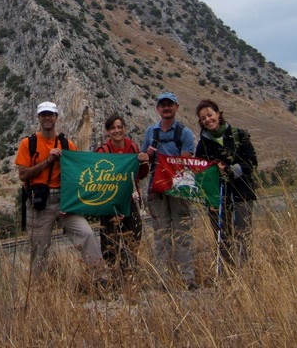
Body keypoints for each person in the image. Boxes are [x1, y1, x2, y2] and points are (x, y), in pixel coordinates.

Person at [14, 101, 105, 281]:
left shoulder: (68, 144)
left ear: (56, 117)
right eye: (43, 115)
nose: (47, 118)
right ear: (39, 118)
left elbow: (77, 175)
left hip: (65, 201)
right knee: (39, 249)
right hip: (39, 203)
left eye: (51, 114)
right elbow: (23, 175)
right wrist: (48, 160)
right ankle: (39, 290)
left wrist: (72, 201)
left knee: (86, 234)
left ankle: (100, 278)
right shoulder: (28, 143)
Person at [140, 91, 198, 289]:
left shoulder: (185, 133)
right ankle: (162, 280)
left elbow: (185, 161)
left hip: (179, 190)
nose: (166, 108)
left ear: (176, 107)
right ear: (157, 109)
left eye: (170, 104)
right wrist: (146, 155)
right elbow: (143, 161)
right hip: (156, 191)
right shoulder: (150, 132)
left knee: (183, 234)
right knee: (161, 234)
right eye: (162, 105)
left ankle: (187, 278)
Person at [194, 98, 258, 268]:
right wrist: (209, 201)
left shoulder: (239, 135)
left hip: (242, 193)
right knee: (223, 239)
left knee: (244, 235)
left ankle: (247, 274)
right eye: (203, 118)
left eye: (210, 115)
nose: (208, 119)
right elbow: (200, 175)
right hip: (218, 199)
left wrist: (230, 170)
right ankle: (228, 277)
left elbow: (251, 162)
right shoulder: (203, 145)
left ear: (218, 114)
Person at [95, 114, 148, 282]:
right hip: (109, 202)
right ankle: (112, 276)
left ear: (125, 129)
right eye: (113, 128)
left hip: (131, 200)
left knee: (132, 238)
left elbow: (141, 175)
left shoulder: (133, 148)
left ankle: (129, 275)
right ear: (107, 131)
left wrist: (145, 162)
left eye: (120, 127)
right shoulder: (103, 151)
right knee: (110, 240)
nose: (117, 131)